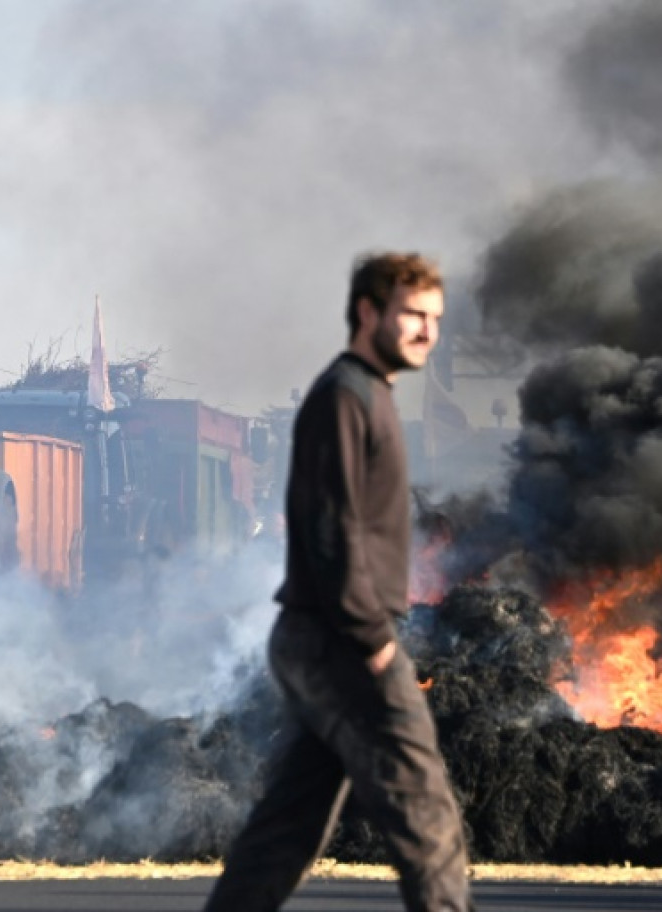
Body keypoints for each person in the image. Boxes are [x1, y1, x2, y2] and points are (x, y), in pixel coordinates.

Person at [203, 252, 472, 912]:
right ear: (367, 312)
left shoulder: (369, 394)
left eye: (435, 318)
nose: (426, 331)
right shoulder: (345, 398)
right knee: (425, 809)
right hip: (341, 640)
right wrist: (373, 636)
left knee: (288, 826)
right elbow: (330, 530)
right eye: (412, 314)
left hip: (324, 636)